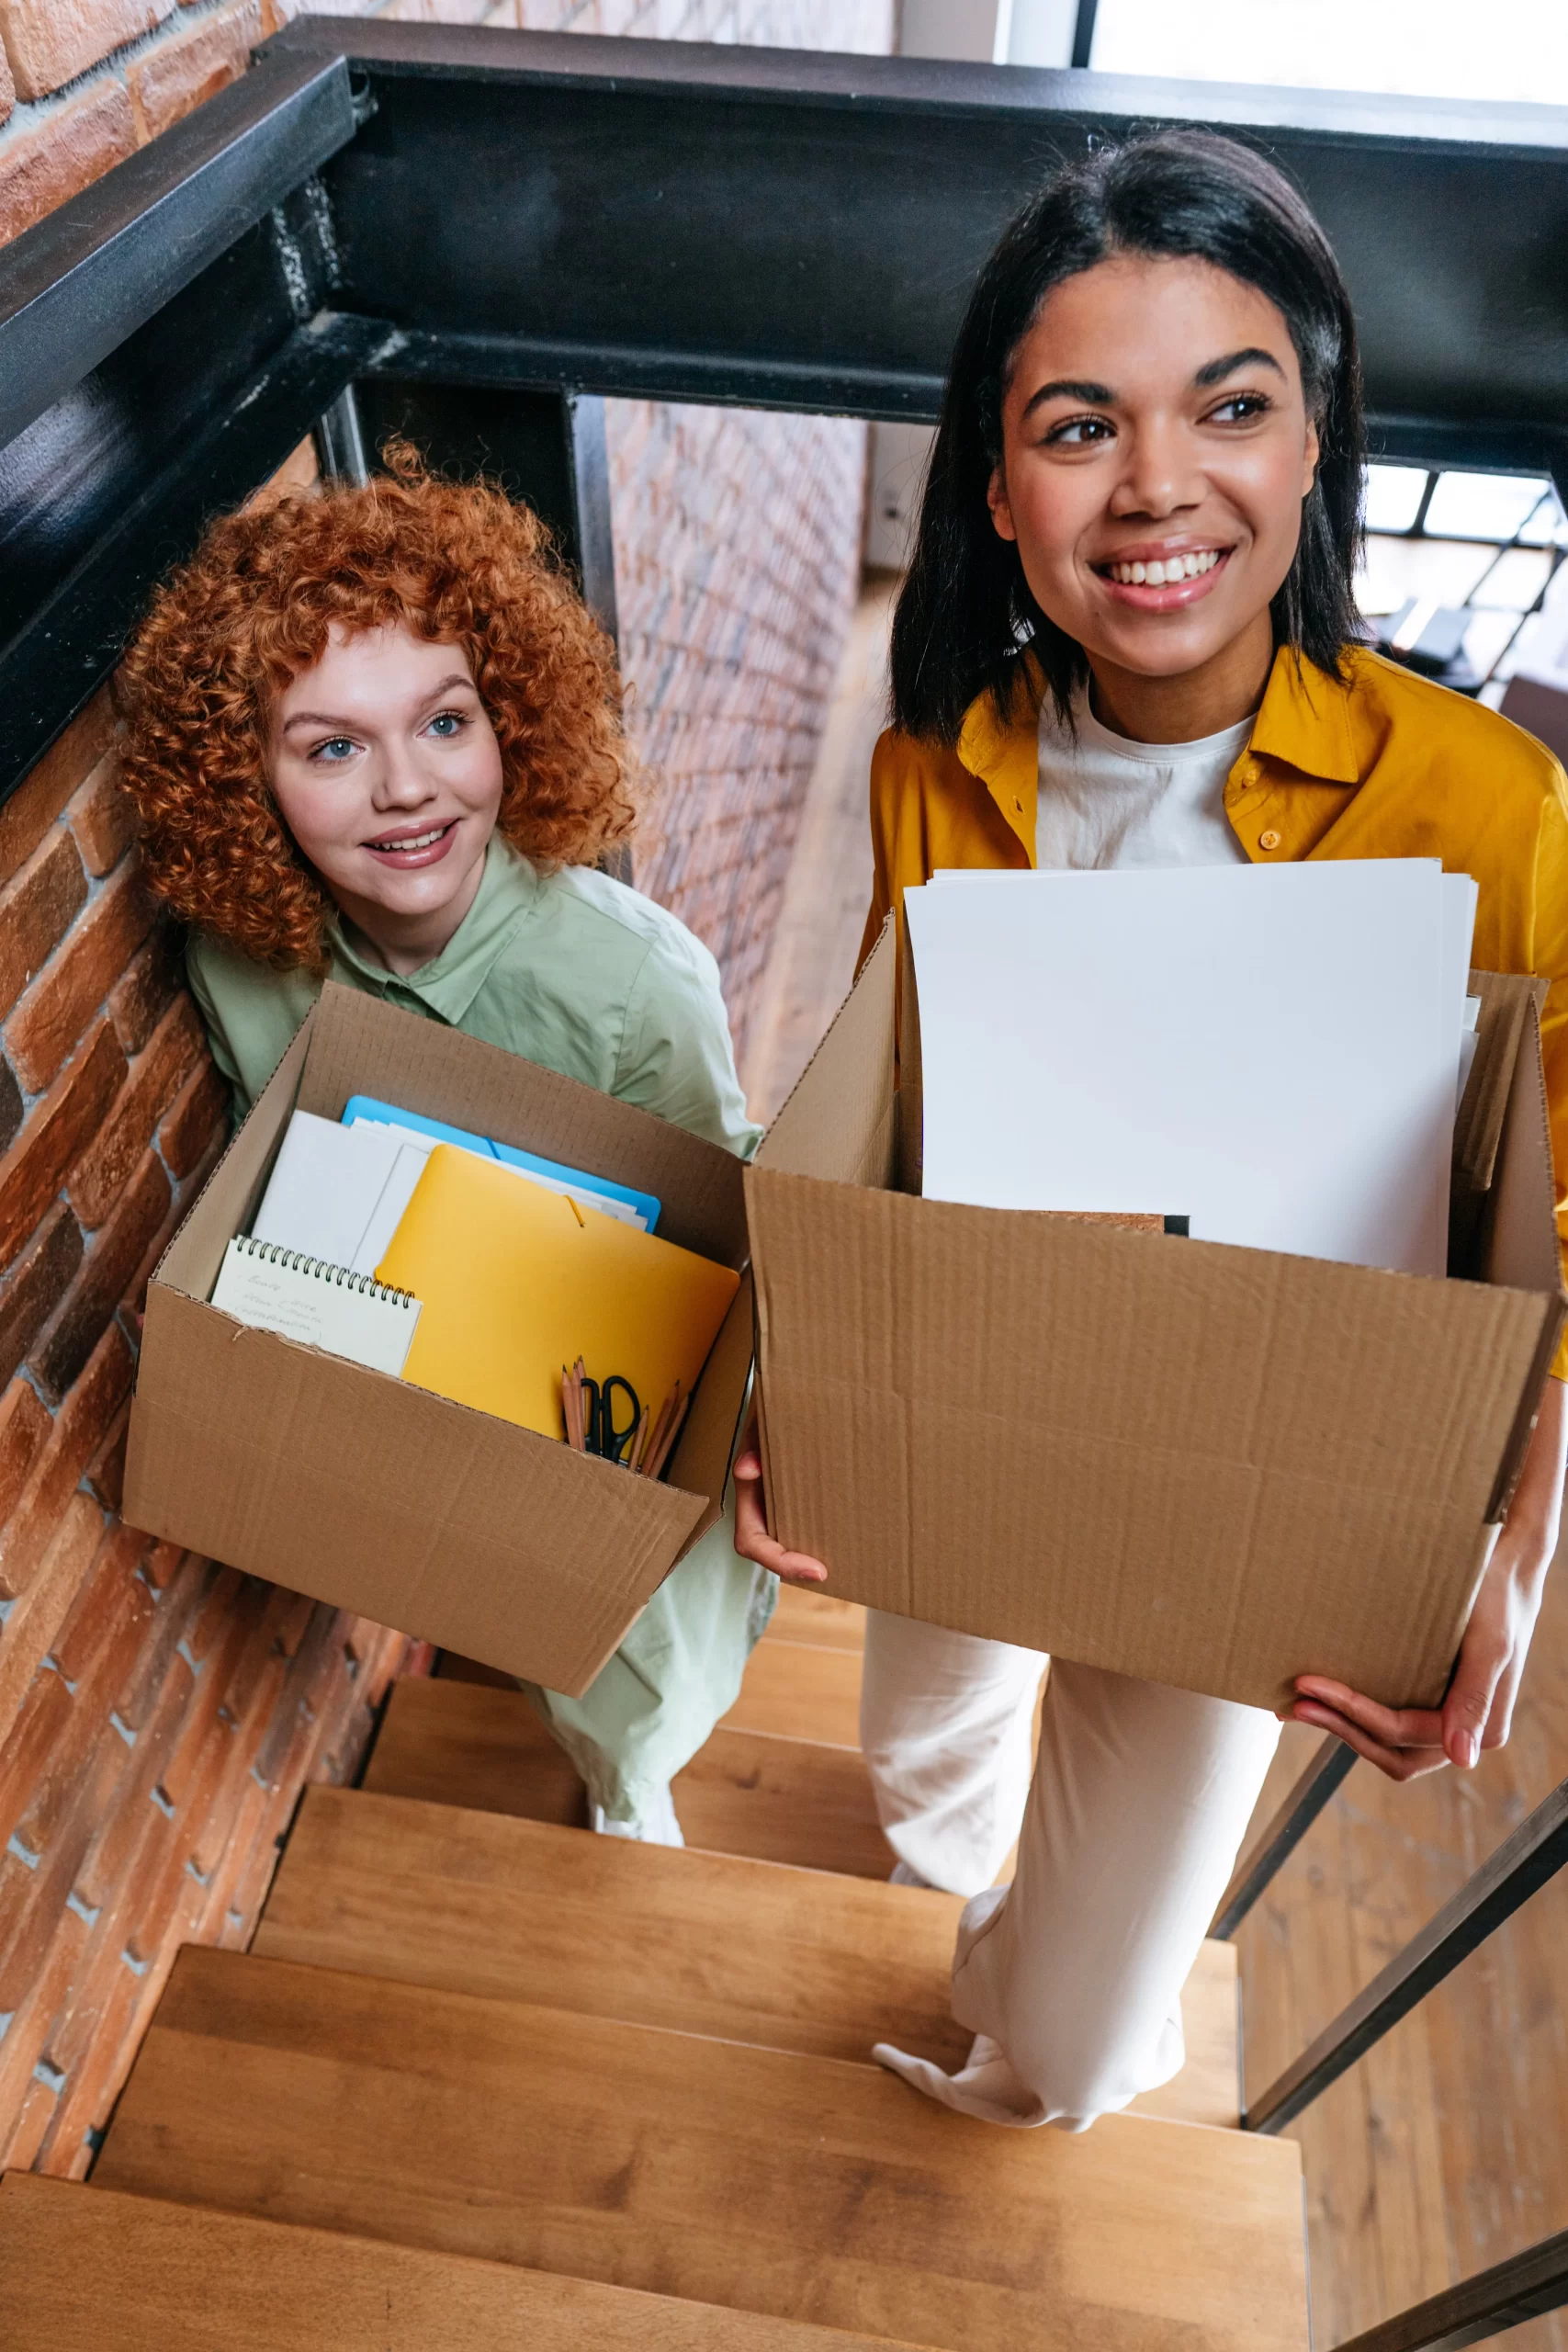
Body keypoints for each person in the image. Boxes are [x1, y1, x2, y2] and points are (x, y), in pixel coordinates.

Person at [733, 129, 1568, 2129]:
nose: (1158, 486)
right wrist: (794, 1376)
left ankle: (1022, 1993)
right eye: (1080, 424)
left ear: (1310, 444)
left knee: (1085, 2046)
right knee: (928, 1749)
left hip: (1255, 1460)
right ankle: (943, 1889)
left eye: (1231, 404)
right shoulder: (935, 762)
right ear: (1000, 487)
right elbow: (892, 1102)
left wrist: (1515, 1557)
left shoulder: (1484, 805)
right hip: (980, 1384)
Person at [118, 447, 773, 1847]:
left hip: (609, 1400)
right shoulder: (243, 966)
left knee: (635, 1659)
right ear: (251, 783)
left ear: (514, 722)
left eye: (446, 721)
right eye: (332, 746)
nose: (406, 790)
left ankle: (630, 1786)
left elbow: (723, 1273)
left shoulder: (634, 985)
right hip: (413, 1379)